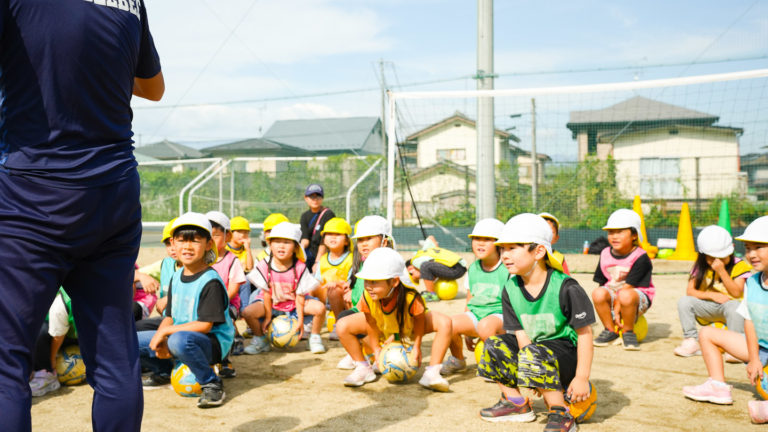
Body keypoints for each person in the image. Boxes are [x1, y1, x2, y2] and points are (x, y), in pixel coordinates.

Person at [0, 1, 163, 428]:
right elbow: (153, 87)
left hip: (31, 193)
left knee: (5, 363)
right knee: (115, 358)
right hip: (113, 193)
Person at [477, 214, 594, 431]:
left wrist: (581, 377)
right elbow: (521, 335)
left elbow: (585, 334)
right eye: (503, 249)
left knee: (535, 353)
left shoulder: (567, 287)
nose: (505, 255)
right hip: (536, 353)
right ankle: (516, 404)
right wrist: (533, 374)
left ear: (539, 251)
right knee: (494, 345)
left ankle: (561, 412)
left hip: (566, 356)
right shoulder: (511, 288)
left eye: (513, 248)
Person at [138, 213, 233, 409]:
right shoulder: (177, 275)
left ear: (208, 244)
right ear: (173, 243)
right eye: (181, 240)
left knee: (178, 340)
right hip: (181, 334)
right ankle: (163, 371)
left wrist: (164, 333)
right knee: (130, 338)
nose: (187, 247)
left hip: (210, 343)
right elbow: (170, 316)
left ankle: (211, 383)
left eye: (195, 241)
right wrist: (159, 336)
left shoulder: (210, 280)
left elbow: (205, 325)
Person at [682, 216, 768, 423]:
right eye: (748, 248)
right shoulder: (754, 282)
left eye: (759, 247)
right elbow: (749, 320)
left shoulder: (741, 273)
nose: (752, 254)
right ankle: (718, 386)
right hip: (760, 347)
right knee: (708, 334)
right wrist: (754, 358)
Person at [336, 247, 454, 391]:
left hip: (409, 326)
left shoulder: (410, 297)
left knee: (445, 322)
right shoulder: (367, 296)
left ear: (394, 282)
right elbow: (371, 324)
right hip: (384, 326)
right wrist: (376, 350)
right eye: (367, 281)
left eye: (374, 282)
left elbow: (419, 320)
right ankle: (363, 368)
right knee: (342, 325)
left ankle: (432, 374)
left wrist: (417, 347)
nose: (368, 287)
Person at [242, 222, 327, 355]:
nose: (281, 245)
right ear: (270, 245)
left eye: (287, 242)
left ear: (295, 247)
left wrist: (300, 320)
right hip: (272, 304)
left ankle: (314, 337)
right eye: (277, 241)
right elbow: (266, 294)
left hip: (294, 304)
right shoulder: (265, 265)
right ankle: (261, 339)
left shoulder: (299, 267)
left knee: (320, 308)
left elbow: (299, 296)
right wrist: (268, 317)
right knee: (248, 312)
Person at [442, 218, 507, 375]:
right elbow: (470, 299)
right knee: (449, 324)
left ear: (499, 244)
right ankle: (458, 360)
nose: (480, 243)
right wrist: (467, 327)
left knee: (486, 326)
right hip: (478, 316)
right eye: (477, 238)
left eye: (487, 239)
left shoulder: (508, 267)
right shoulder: (474, 268)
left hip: (502, 319)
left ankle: (497, 365)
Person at [675, 225, 751, 357]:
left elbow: (737, 293)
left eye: (721, 257)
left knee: (734, 306)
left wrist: (721, 271)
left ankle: (736, 348)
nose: (716, 261)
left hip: (733, 309)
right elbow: (690, 291)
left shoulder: (740, 266)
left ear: (731, 249)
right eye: (711, 257)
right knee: (684, 302)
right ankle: (691, 341)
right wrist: (711, 295)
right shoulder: (700, 267)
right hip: (710, 307)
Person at [331, 215, 395, 369]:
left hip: (384, 317)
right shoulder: (364, 262)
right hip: (364, 310)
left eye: (369, 239)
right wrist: (350, 288)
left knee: (355, 320)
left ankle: (374, 354)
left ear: (384, 241)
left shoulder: (391, 265)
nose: (363, 244)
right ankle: (360, 354)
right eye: (360, 240)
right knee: (344, 318)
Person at [592, 209, 655, 350]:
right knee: (598, 292)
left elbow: (629, 287)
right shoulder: (604, 253)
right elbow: (602, 283)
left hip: (636, 298)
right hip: (616, 296)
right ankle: (610, 330)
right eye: (611, 232)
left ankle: (628, 332)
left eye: (620, 232)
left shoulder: (640, 257)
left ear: (634, 235)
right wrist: (610, 310)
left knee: (625, 295)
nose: (614, 236)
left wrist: (617, 306)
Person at [206, 211, 246, 376]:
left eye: (215, 235)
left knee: (225, 321)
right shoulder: (202, 260)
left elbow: (233, 289)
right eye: (207, 236)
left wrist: (217, 303)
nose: (211, 240)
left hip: (228, 304)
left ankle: (224, 360)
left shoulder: (232, 261)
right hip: (204, 305)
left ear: (227, 236)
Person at [30, 289, 80, 398]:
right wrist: (52, 361)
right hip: (54, 331)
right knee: (39, 332)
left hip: (76, 332)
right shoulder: (62, 303)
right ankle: (46, 374)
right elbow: (58, 336)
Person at [314, 217, 354, 340]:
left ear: (346, 241)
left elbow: (351, 284)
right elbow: (318, 282)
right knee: (310, 287)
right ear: (324, 239)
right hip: (325, 296)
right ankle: (310, 323)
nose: (333, 237)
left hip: (342, 296)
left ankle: (340, 323)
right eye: (329, 234)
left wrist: (337, 284)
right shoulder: (323, 259)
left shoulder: (351, 259)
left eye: (338, 234)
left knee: (334, 289)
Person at [406, 236, 468, 302]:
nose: (420, 278)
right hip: (459, 266)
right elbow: (431, 237)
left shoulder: (415, 261)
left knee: (424, 266)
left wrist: (423, 275)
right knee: (426, 267)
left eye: (417, 278)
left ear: (410, 269)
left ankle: (431, 295)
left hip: (454, 269)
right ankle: (431, 292)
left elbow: (427, 265)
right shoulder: (424, 251)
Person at [300, 184, 336, 272]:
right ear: (306, 198)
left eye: (318, 196)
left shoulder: (328, 214)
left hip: (323, 257)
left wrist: (317, 262)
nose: (315, 199)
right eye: (312, 196)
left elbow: (324, 241)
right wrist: (299, 252)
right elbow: (305, 239)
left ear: (322, 198)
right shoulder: (304, 216)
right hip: (309, 256)